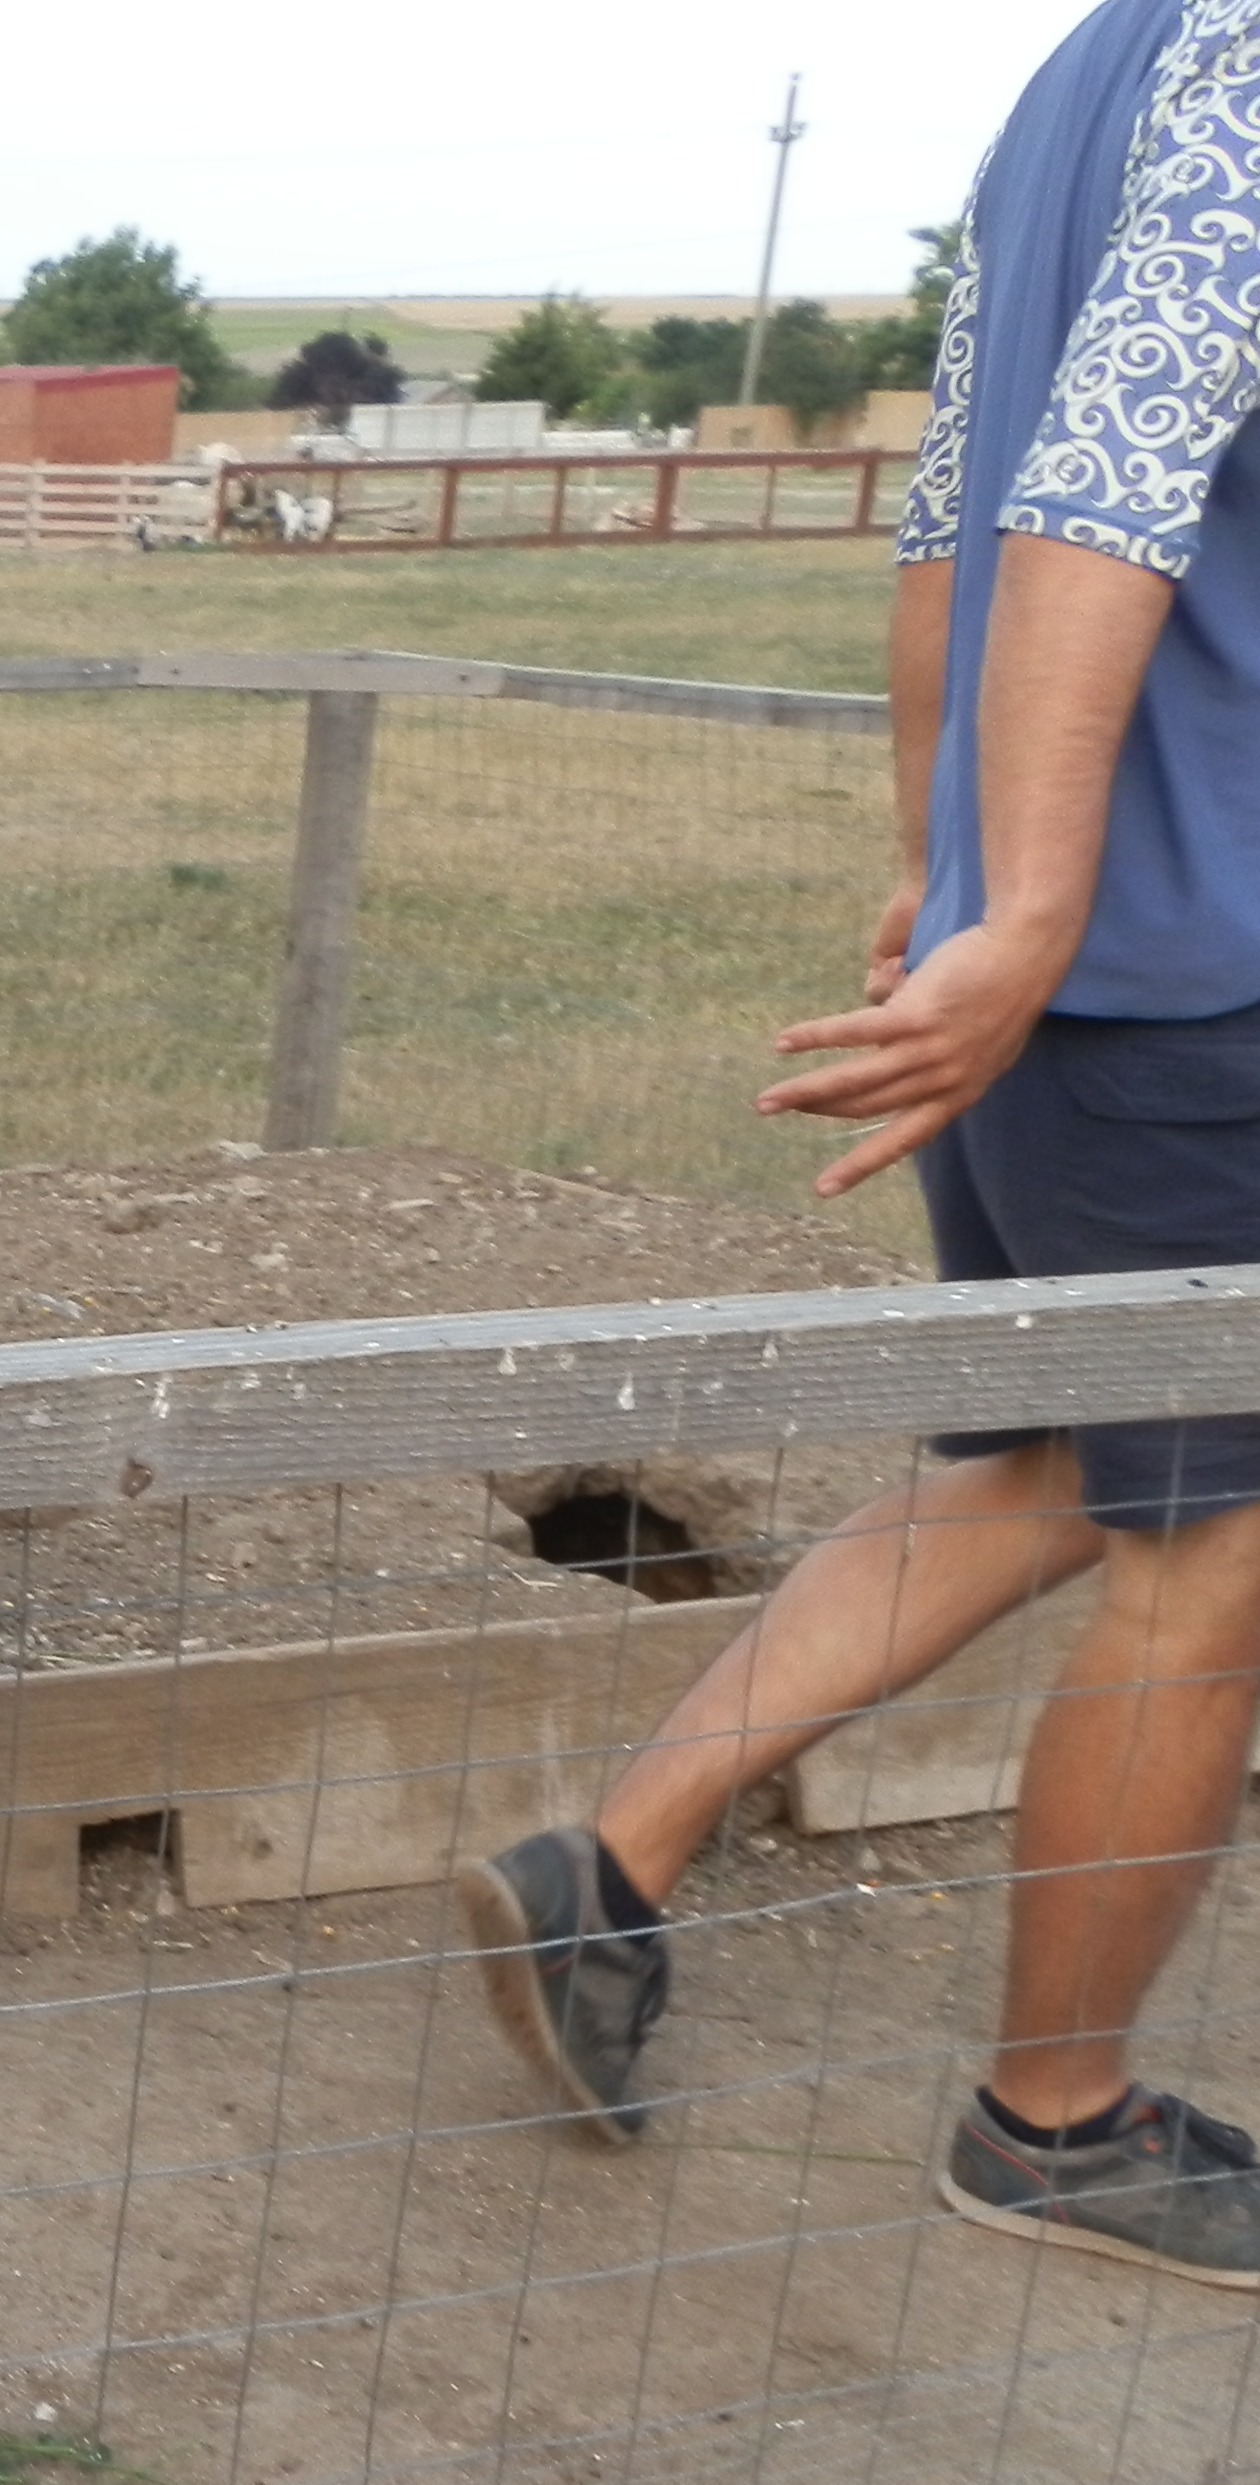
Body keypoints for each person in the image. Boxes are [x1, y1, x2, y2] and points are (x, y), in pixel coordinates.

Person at [462, 0, 1260, 2287]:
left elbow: (946, 506)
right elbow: (1090, 497)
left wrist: (943, 863)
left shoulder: (1094, 70)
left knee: (1042, 1468)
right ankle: (1052, 2122)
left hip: (1044, 959)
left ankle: (600, 1871)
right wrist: (1018, 908)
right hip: (1178, 971)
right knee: (1213, 1556)